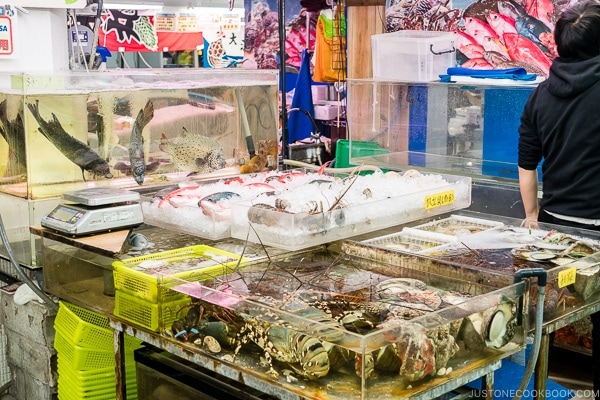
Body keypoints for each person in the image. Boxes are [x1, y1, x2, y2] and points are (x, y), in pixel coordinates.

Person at [518, 0, 600, 397]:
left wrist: (533, 216)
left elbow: (527, 163)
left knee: (545, 315)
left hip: (557, 228)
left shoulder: (540, 95)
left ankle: (536, 384)